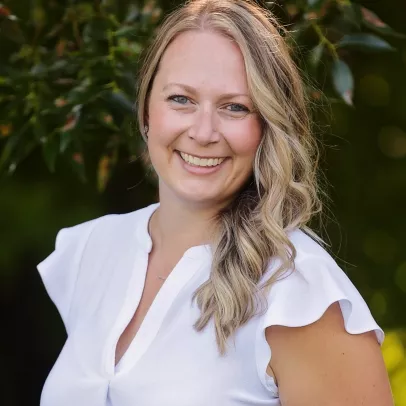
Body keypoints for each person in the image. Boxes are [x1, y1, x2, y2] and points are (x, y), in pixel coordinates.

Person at [37, 0, 394, 405]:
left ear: (268, 126)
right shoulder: (91, 252)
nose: (203, 132)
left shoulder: (298, 292)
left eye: (235, 107)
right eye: (180, 99)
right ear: (147, 109)